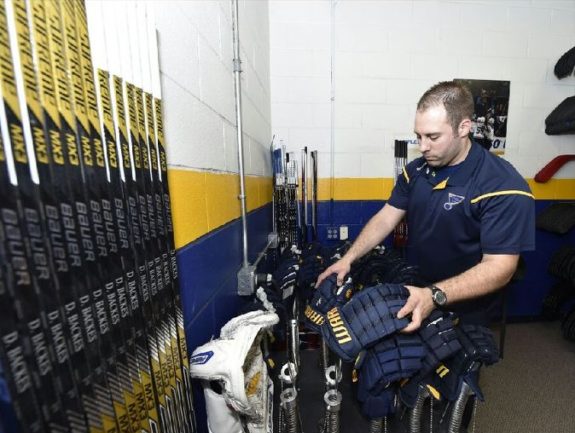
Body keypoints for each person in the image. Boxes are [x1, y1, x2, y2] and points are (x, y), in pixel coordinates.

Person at [316, 80, 535, 331]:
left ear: (464, 127)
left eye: (433, 137)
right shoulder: (416, 171)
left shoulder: (504, 186)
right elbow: (388, 216)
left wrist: (435, 295)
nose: (422, 147)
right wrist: (349, 258)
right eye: (418, 136)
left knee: (456, 367)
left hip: (469, 305)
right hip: (417, 288)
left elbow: (500, 268)